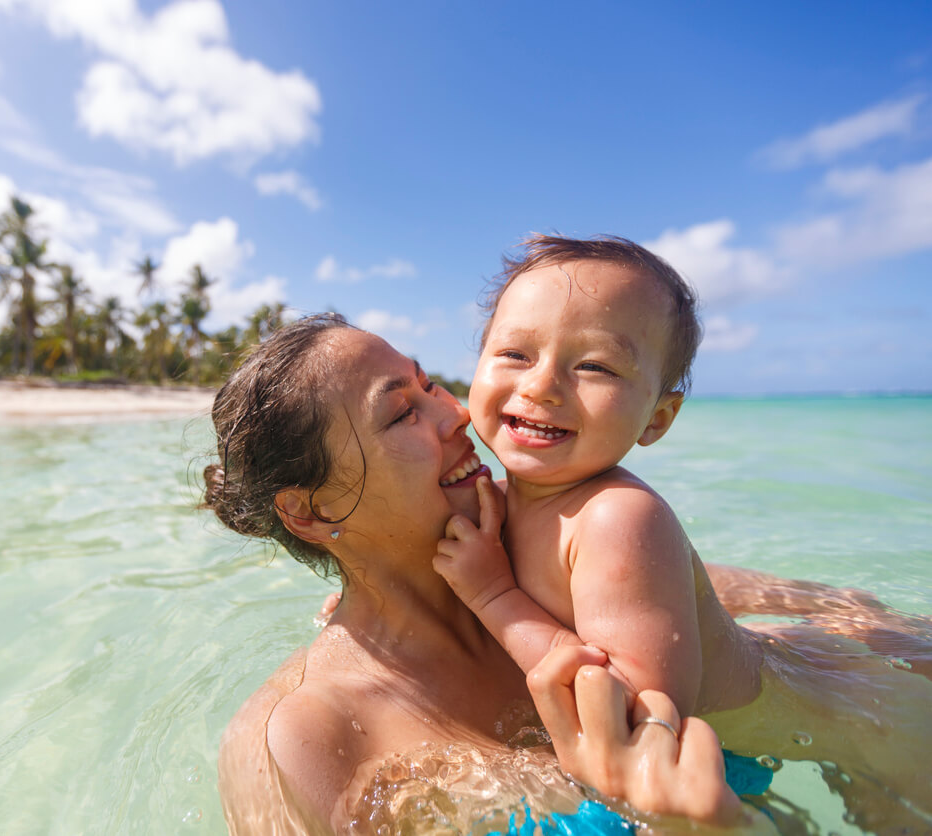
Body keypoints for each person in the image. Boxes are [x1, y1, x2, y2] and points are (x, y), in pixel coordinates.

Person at [434, 235, 932, 831]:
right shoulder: (504, 500)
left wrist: (493, 599)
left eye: (593, 365)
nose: (541, 385)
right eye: (515, 354)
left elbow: (635, 716)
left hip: (856, 718)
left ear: (657, 419)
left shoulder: (618, 517)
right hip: (782, 667)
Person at [204, 314, 769, 834]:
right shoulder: (308, 737)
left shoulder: (543, 539)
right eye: (403, 413)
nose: (459, 414)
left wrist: (839, 611)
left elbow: (701, 591)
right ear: (311, 510)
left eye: (429, 387)